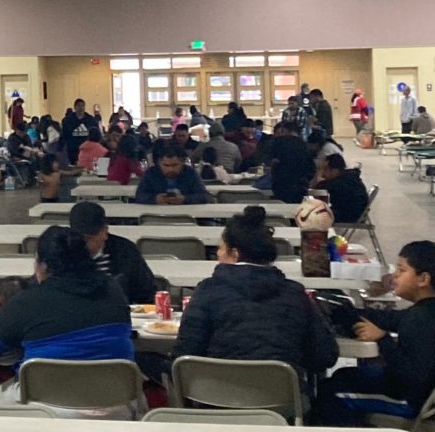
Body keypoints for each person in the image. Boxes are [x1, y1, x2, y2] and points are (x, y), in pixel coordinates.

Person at [0, 226, 133, 405]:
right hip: (116, 403)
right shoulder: (114, 291)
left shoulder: (28, 302)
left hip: (49, 407)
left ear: (44, 266)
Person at [174, 206, 338, 375]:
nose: (217, 254)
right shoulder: (294, 293)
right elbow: (325, 356)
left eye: (221, 248)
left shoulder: (208, 290)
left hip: (215, 396)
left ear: (235, 253)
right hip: (283, 396)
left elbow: (185, 353)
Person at [315, 241, 435, 426]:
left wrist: (382, 339)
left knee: (332, 393)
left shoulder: (420, 319)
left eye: (402, 271)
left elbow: (412, 376)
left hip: (410, 400)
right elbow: (389, 318)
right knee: (342, 376)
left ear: (423, 279)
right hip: (410, 389)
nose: (394, 275)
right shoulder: (423, 311)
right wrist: (348, 311)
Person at [70, 202, 156, 304]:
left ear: (104, 232)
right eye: (79, 238)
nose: (85, 243)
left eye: (90, 238)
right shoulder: (63, 251)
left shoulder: (126, 251)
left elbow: (147, 292)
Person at [135, 144, 209, 205]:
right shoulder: (150, 173)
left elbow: (204, 196)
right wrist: (154, 199)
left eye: (175, 165)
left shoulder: (191, 173)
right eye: (166, 165)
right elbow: (139, 196)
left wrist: (185, 199)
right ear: (159, 163)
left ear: (183, 162)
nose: (171, 169)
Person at [313, 154, 368, 224]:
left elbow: (318, 190)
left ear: (335, 170)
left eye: (325, 169)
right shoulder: (348, 177)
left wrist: (318, 178)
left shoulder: (341, 183)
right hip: (352, 211)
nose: (323, 172)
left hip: (349, 215)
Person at [269, 121, 315, 203]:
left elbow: (273, 162)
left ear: (284, 130)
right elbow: (311, 167)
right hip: (301, 184)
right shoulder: (304, 145)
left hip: (282, 183)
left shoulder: (278, 142)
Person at [61, 98, 100, 165]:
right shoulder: (68, 121)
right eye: (79, 106)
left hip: (87, 149)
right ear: (75, 107)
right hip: (73, 150)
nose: (81, 108)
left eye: (83, 106)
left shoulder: (90, 120)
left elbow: (96, 133)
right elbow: (64, 135)